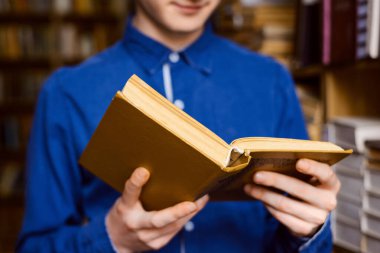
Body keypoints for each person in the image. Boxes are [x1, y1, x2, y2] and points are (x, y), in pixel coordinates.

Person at [17, 0, 340, 252]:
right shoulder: (67, 92)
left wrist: (309, 230)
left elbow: (294, 239)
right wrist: (112, 239)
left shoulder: (271, 80)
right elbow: (35, 246)